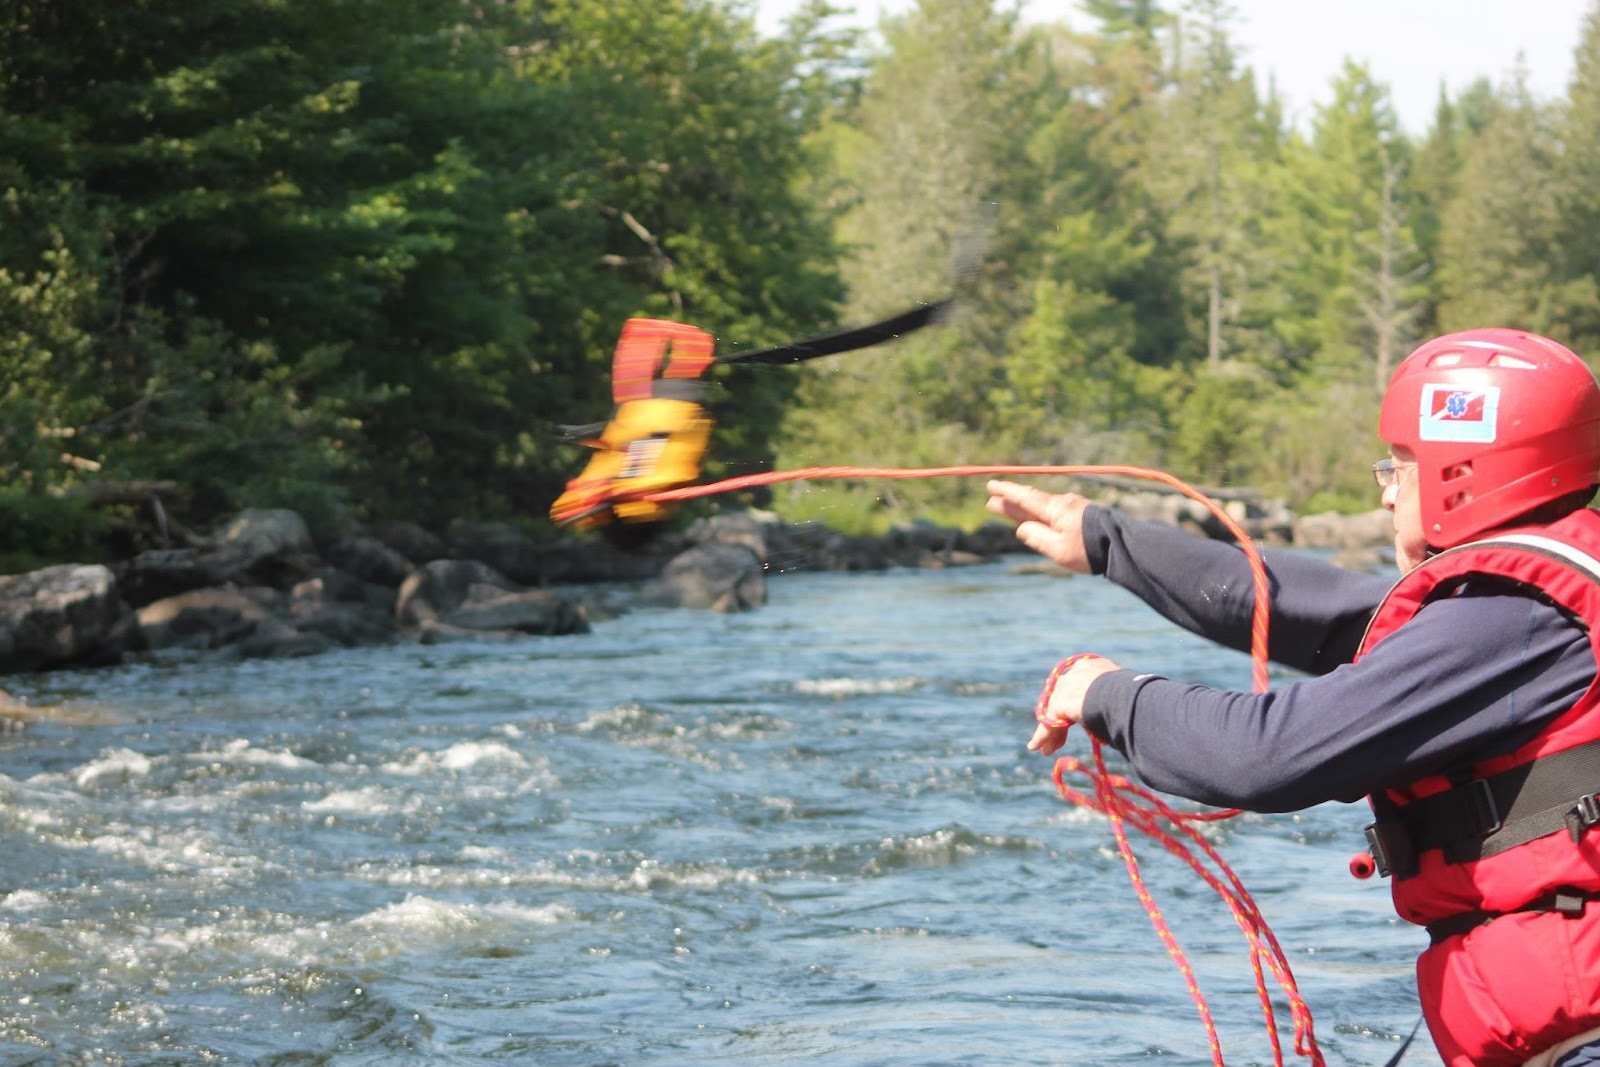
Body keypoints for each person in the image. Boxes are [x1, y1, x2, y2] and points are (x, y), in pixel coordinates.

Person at [985, 327, 1600, 1067]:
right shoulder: (1535, 596)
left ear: (1459, 474)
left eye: (1400, 465)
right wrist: (1108, 539)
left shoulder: (1510, 621)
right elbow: (1322, 608)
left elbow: (1268, 755)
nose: (1384, 488)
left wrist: (1106, 693)